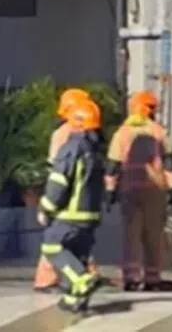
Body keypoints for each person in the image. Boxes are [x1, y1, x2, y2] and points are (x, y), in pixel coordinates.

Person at [105, 90, 172, 291]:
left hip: (129, 191)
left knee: (130, 235)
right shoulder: (159, 132)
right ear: (151, 110)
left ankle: (131, 278)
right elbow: (170, 164)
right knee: (153, 235)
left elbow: (113, 165)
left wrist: (110, 191)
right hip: (155, 190)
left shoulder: (122, 133)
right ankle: (152, 279)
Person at [38, 98, 105, 312]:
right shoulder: (95, 149)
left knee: (51, 245)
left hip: (70, 214)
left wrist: (46, 208)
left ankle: (81, 280)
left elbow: (59, 182)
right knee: (76, 255)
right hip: (90, 216)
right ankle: (73, 298)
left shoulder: (72, 147)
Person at [34, 87, 94, 291]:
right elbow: (60, 173)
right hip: (70, 198)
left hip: (67, 197)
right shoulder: (74, 136)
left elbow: (57, 171)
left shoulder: (66, 134)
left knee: (57, 239)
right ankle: (53, 278)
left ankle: (60, 278)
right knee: (55, 240)